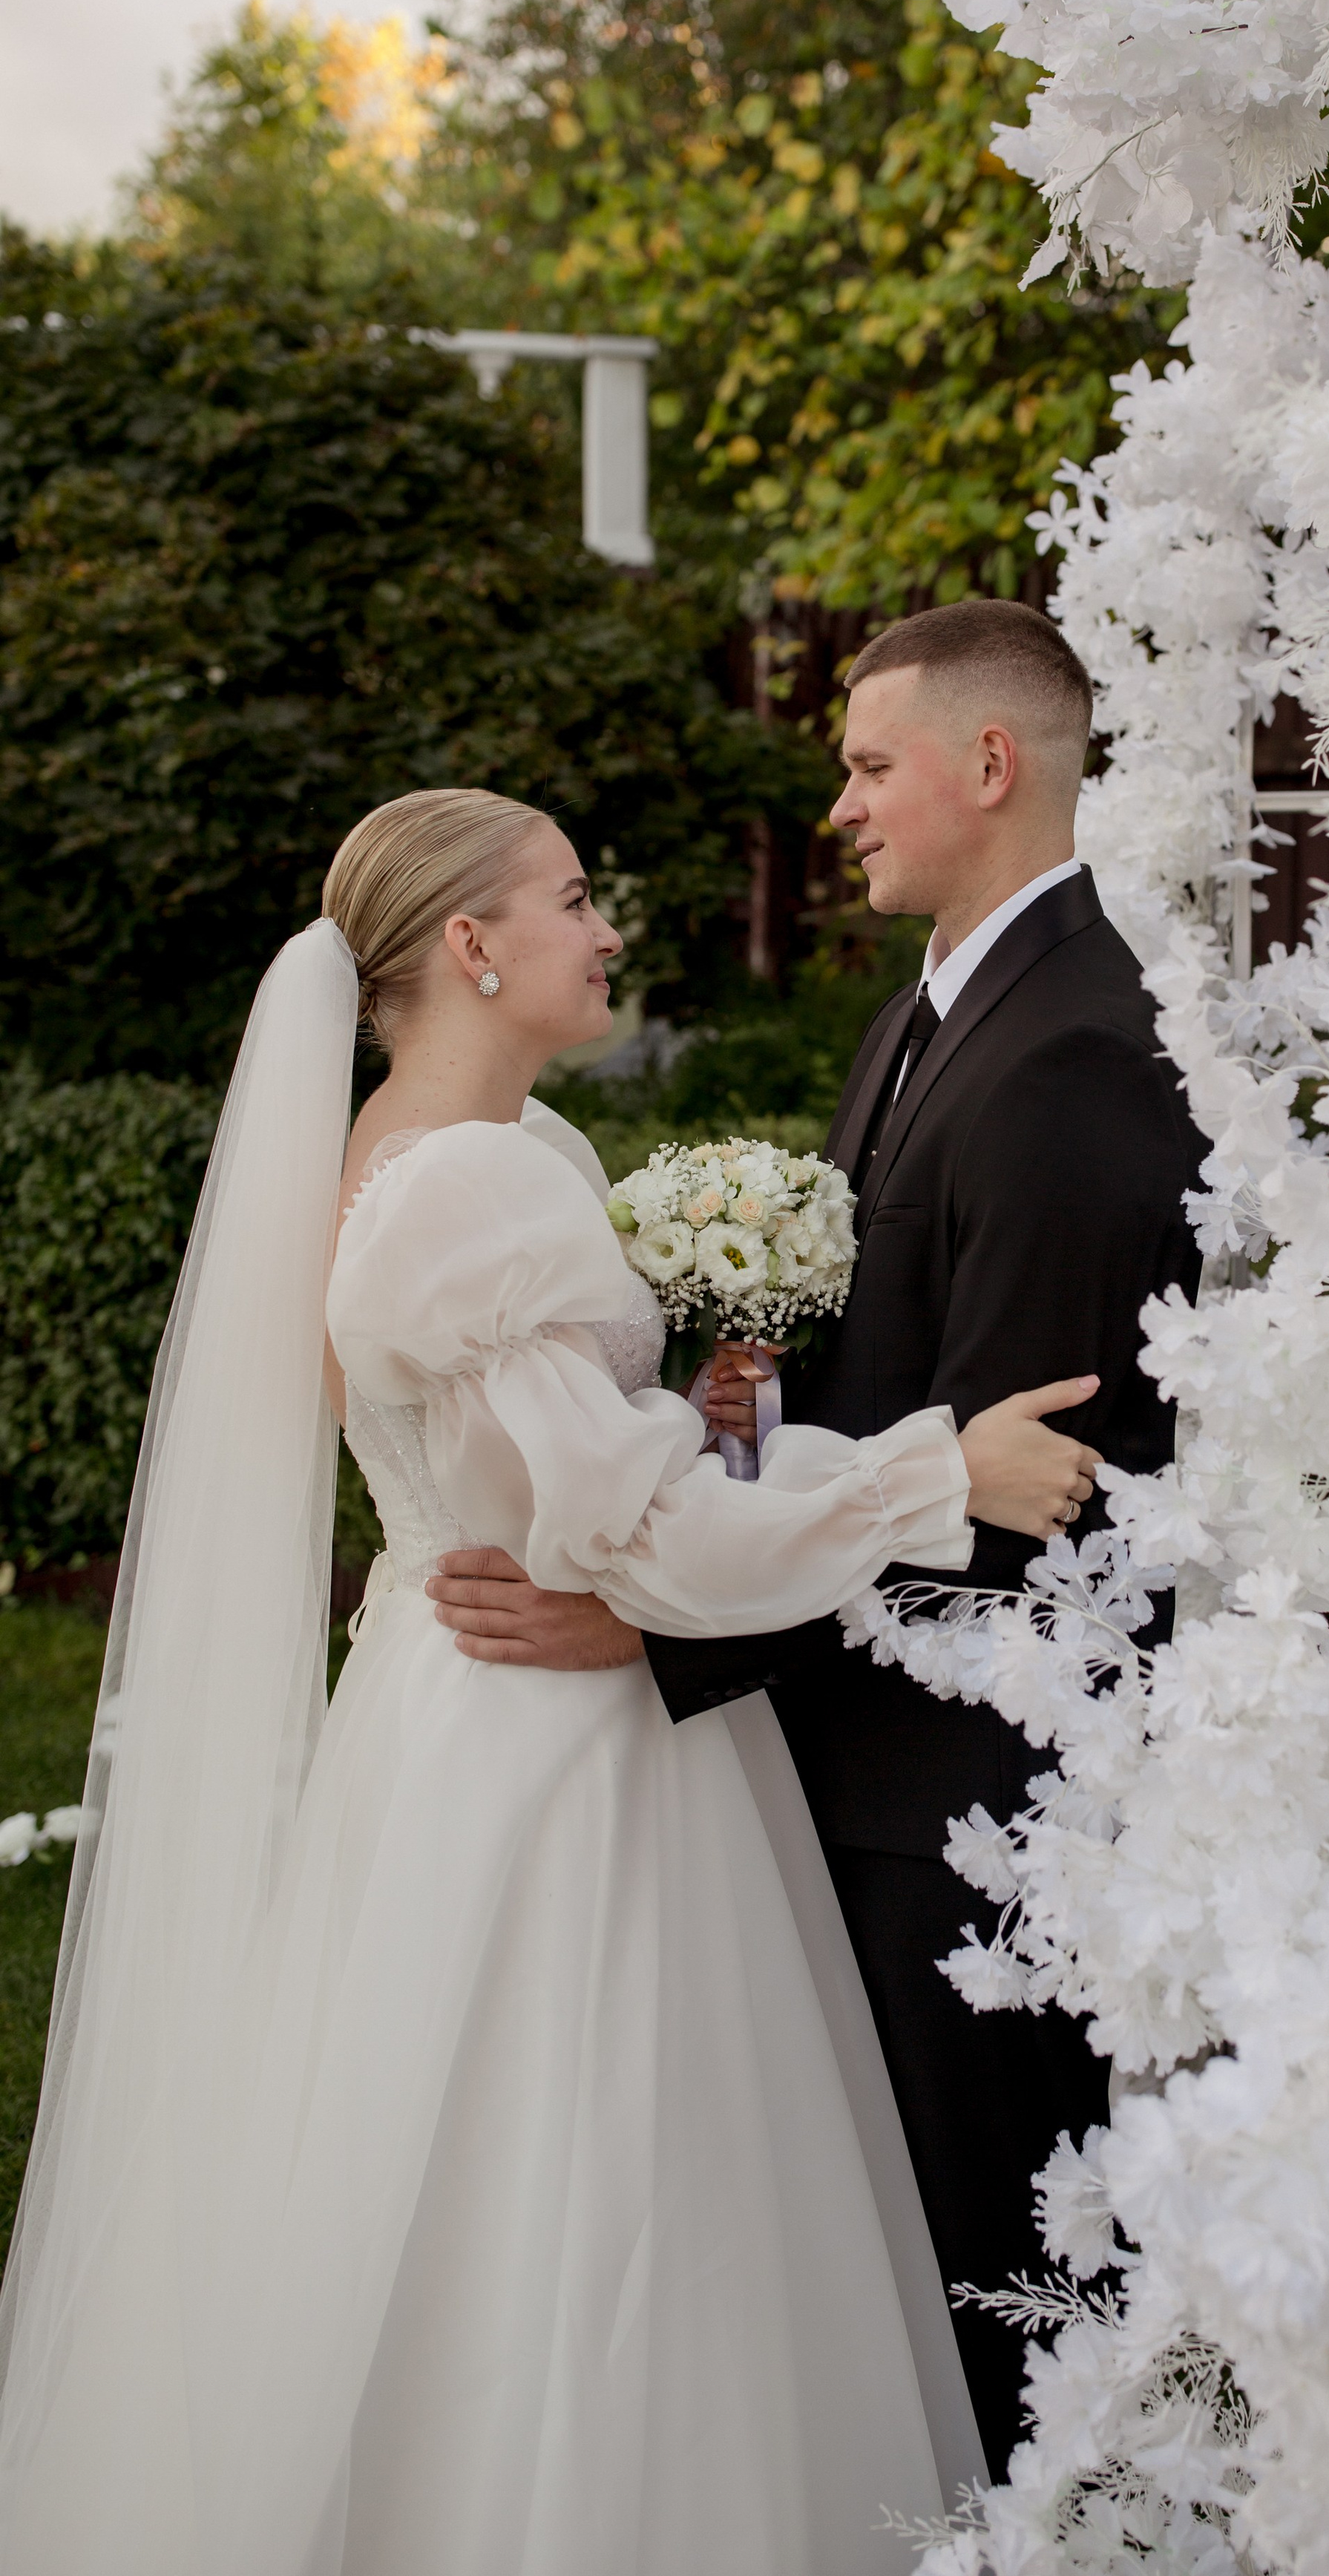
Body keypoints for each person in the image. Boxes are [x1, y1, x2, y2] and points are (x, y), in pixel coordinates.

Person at [0, 786, 1104, 2576]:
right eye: (577, 896)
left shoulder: (423, 1150)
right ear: (470, 943)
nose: (608, 929)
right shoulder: (489, 1183)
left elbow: (568, 1472)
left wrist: (705, 1409)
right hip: (559, 1753)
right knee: (607, 2184)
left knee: (449, 2174)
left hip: (446, 1725)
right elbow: (629, 1543)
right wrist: (931, 1477)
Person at [430, 602, 1208, 2467]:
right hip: (864, 1764)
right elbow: (906, 1398)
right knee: (905, 2281)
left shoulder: (1073, 1057)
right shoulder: (934, 1010)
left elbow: (1032, 1495)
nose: (842, 806)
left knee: (1001, 2284)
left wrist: (663, 1631)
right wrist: (749, 1421)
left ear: (989, 765)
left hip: (969, 1800)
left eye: (868, 766)